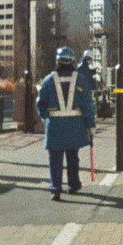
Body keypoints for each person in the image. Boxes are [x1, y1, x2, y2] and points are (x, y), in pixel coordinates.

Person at [37, 46, 96, 201]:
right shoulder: (80, 80)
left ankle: (56, 188)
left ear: (57, 61)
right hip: (74, 126)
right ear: (73, 62)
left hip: (55, 126)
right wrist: (91, 126)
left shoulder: (48, 80)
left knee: (55, 160)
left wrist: (46, 117)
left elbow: (40, 103)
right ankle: (73, 184)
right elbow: (87, 106)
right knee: (73, 157)